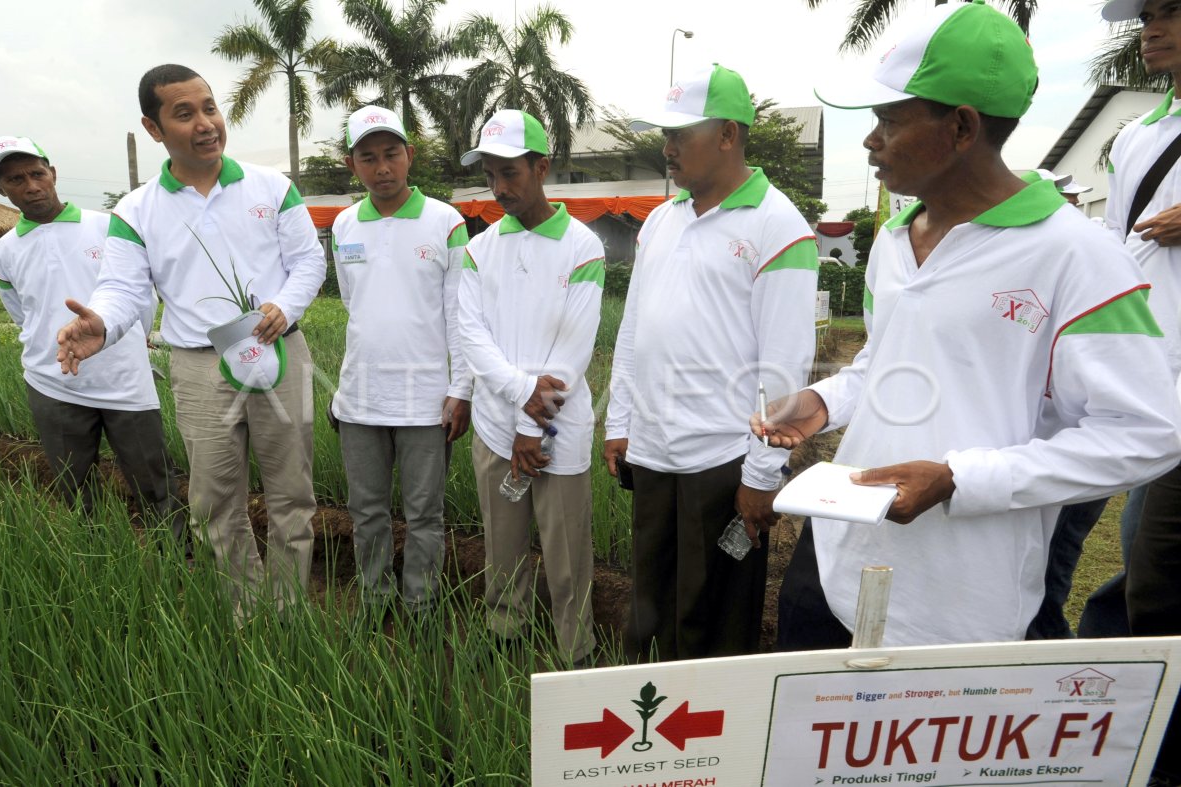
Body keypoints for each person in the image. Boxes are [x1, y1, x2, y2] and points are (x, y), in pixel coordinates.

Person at [755, 0, 1181, 650]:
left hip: (955, 600)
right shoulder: (896, 242)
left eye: (889, 121)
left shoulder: (1079, 258)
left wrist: (959, 478)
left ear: (961, 127)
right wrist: (822, 400)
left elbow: (1147, 432)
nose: (871, 140)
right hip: (837, 551)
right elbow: (884, 364)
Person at [56, 64, 326, 621]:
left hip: (280, 354)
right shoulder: (137, 210)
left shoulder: (272, 187)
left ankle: (289, 612)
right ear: (153, 129)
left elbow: (307, 262)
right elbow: (124, 289)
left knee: (291, 493)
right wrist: (100, 324)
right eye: (184, 113)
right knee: (214, 500)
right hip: (201, 369)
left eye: (210, 107)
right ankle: (246, 615)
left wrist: (286, 305)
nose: (205, 123)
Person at [604, 63, 818, 662]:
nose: (667, 148)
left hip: (720, 460)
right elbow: (634, 331)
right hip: (653, 451)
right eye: (664, 134)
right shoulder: (660, 222)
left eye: (681, 134)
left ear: (728, 134)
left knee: (713, 619)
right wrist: (619, 422)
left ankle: (710, 741)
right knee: (651, 603)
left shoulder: (779, 228)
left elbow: (783, 369)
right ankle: (649, 719)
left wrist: (760, 475)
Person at [456, 109, 603, 668]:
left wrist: (531, 425)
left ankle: (576, 648)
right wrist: (519, 402)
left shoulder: (582, 247)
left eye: (511, 173)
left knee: (567, 554)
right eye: (490, 174)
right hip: (497, 428)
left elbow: (574, 348)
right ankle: (504, 631)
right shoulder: (480, 248)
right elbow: (472, 336)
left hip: (557, 430)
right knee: (502, 546)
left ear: (542, 167)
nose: (498, 188)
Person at [0, 136, 184, 548]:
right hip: (53, 383)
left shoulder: (108, 227)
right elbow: (23, 315)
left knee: (153, 480)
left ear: (53, 174)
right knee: (72, 483)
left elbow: (140, 299)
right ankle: (93, 558)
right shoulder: (2, 253)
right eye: (15, 179)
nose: (32, 185)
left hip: (125, 379)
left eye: (38, 174)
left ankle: (177, 556)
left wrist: (127, 343)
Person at [330, 105, 472, 614]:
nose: (382, 167)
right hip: (360, 397)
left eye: (392, 154)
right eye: (368, 157)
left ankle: (420, 605)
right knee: (365, 511)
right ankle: (374, 599)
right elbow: (354, 304)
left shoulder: (445, 221)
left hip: (425, 401)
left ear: (410, 156)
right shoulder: (345, 224)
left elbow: (460, 315)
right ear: (353, 165)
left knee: (424, 514)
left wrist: (462, 391)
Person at [1095, 1, 1181, 783]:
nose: (1151, 27)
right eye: (1147, 14)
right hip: (1154, 382)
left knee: (1154, 565)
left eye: (1172, 10)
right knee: (1143, 554)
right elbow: (1120, 259)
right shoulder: (1138, 139)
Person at [1023, 168, 1108, 641]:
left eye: (1073, 198)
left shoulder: (1090, 253)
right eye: (1060, 196)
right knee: (1036, 566)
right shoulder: (1025, 256)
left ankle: (1045, 662)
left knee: (1050, 567)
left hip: (1070, 450)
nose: (1069, 205)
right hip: (1031, 449)